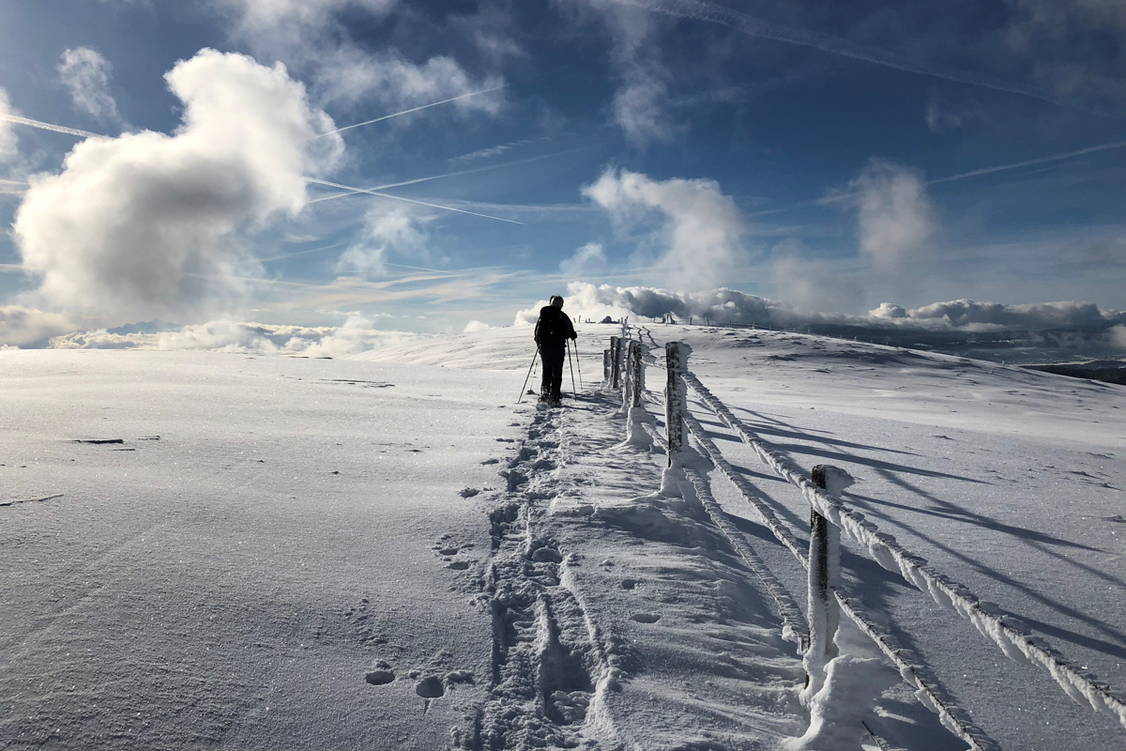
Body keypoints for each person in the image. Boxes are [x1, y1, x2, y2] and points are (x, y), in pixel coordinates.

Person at [533, 295, 577, 406]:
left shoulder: (543, 314)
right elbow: (569, 333)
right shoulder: (563, 316)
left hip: (545, 348)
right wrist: (572, 335)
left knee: (546, 369)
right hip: (558, 348)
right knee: (557, 371)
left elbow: (537, 332)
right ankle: (555, 395)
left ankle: (545, 392)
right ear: (561, 304)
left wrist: (540, 344)